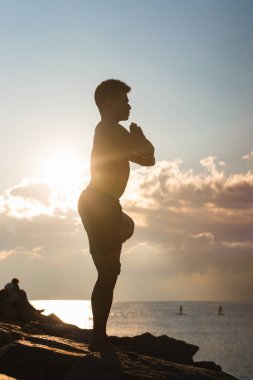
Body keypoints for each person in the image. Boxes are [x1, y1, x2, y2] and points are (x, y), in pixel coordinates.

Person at [78, 79, 155, 353]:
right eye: (124, 99)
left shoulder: (113, 134)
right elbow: (147, 152)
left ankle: (98, 335)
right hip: (99, 204)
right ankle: (98, 337)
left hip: (105, 205)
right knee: (108, 274)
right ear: (109, 103)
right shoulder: (110, 129)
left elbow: (148, 160)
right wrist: (142, 140)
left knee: (120, 244)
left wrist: (141, 143)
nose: (129, 105)